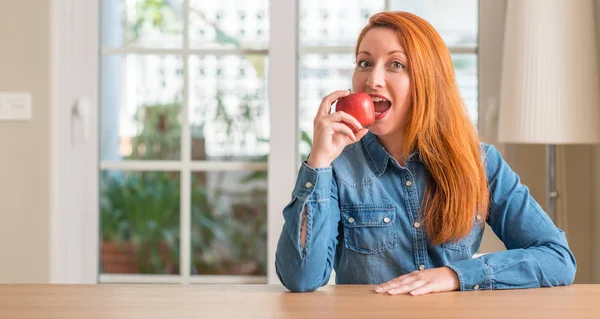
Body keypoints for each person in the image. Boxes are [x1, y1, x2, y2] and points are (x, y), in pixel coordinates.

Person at [274, 11, 576, 295]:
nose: (372, 80)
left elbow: (556, 257)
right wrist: (319, 162)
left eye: (395, 65)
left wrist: (456, 275)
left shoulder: (481, 163)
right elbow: (301, 278)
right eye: (365, 63)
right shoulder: (337, 168)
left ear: (428, 80)